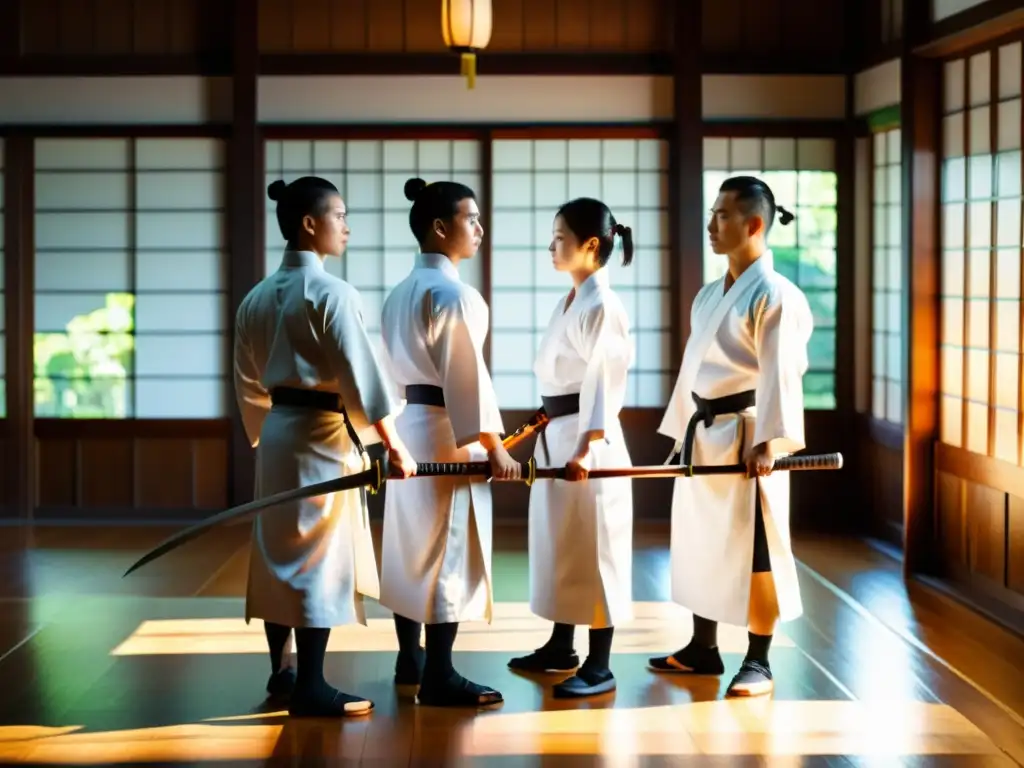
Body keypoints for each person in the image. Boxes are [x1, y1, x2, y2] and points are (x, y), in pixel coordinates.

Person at [234, 176, 417, 718]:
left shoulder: (256, 298)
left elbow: (248, 383)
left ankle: (283, 671)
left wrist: (262, 432)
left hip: (278, 434)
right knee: (318, 555)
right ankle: (312, 685)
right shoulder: (333, 293)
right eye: (340, 215)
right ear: (310, 223)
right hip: (321, 437)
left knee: (277, 553)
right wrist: (394, 445)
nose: (347, 226)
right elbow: (362, 378)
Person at [649, 175, 812, 698]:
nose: (710, 224)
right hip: (705, 433)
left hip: (748, 435)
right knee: (702, 544)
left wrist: (772, 441)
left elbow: (781, 372)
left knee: (755, 547)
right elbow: (693, 369)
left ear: (754, 224)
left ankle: (760, 660)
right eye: (712, 213)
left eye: (721, 214)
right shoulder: (707, 295)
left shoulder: (776, 295)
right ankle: (702, 648)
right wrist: (681, 433)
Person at [378, 177, 521, 708]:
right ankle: (439, 674)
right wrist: (496, 447)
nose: (480, 229)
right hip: (446, 433)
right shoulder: (456, 295)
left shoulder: (399, 294)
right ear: (440, 227)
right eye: (471, 219)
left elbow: (389, 376)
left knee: (410, 545)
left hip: (410, 425)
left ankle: (409, 658)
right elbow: (468, 381)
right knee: (446, 549)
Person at [506, 198, 636, 699]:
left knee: (597, 549)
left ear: (590, 245)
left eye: (560, 237)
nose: (551, 245)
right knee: (563, 543)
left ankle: (600, 665)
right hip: (557, 435)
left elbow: (604, 380)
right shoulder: (574, 299)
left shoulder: (602, 304)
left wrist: (587, 445)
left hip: (588, 442)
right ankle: (562, 645)